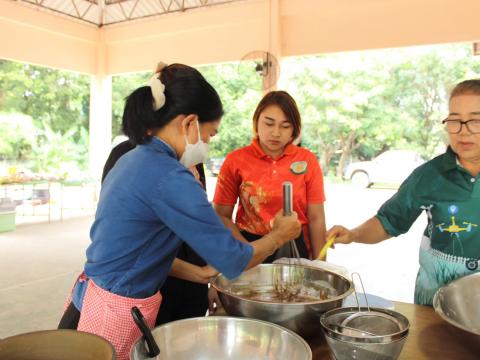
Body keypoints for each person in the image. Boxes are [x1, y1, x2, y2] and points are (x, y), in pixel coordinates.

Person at [58, 63, 301, 360]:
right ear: (190, 124)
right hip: (114, 314)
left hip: (90, 299)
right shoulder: (170, 176)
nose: (208, 144)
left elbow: (136, 251)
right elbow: (235, 259)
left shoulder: (133, 158)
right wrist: (279, 235)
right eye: (210, 134)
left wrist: (198, 273)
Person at [326, 79, 480, 306]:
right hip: (435, 305)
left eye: (475, 121)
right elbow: (389, 220)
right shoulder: (429, 176)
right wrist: (354, 234)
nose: (463, 132)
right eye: (455, 121)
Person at [101, 138, 214, 325]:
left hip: (192, 285)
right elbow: (120, 237)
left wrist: (213, 284)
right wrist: (201, 273)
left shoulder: (191, 155)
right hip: (143, 289)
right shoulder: (125, 156)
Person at [213, 91, 327, 261]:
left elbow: (316, 218)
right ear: (256, 122)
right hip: (248, 243)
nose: (276, 133)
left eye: (285, 126)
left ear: (294, 129)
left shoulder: (306, 160)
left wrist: (320, 265)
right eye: (269, 123)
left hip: (294, 245)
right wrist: (247, 251)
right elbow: (221, 215)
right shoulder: (236, 160)